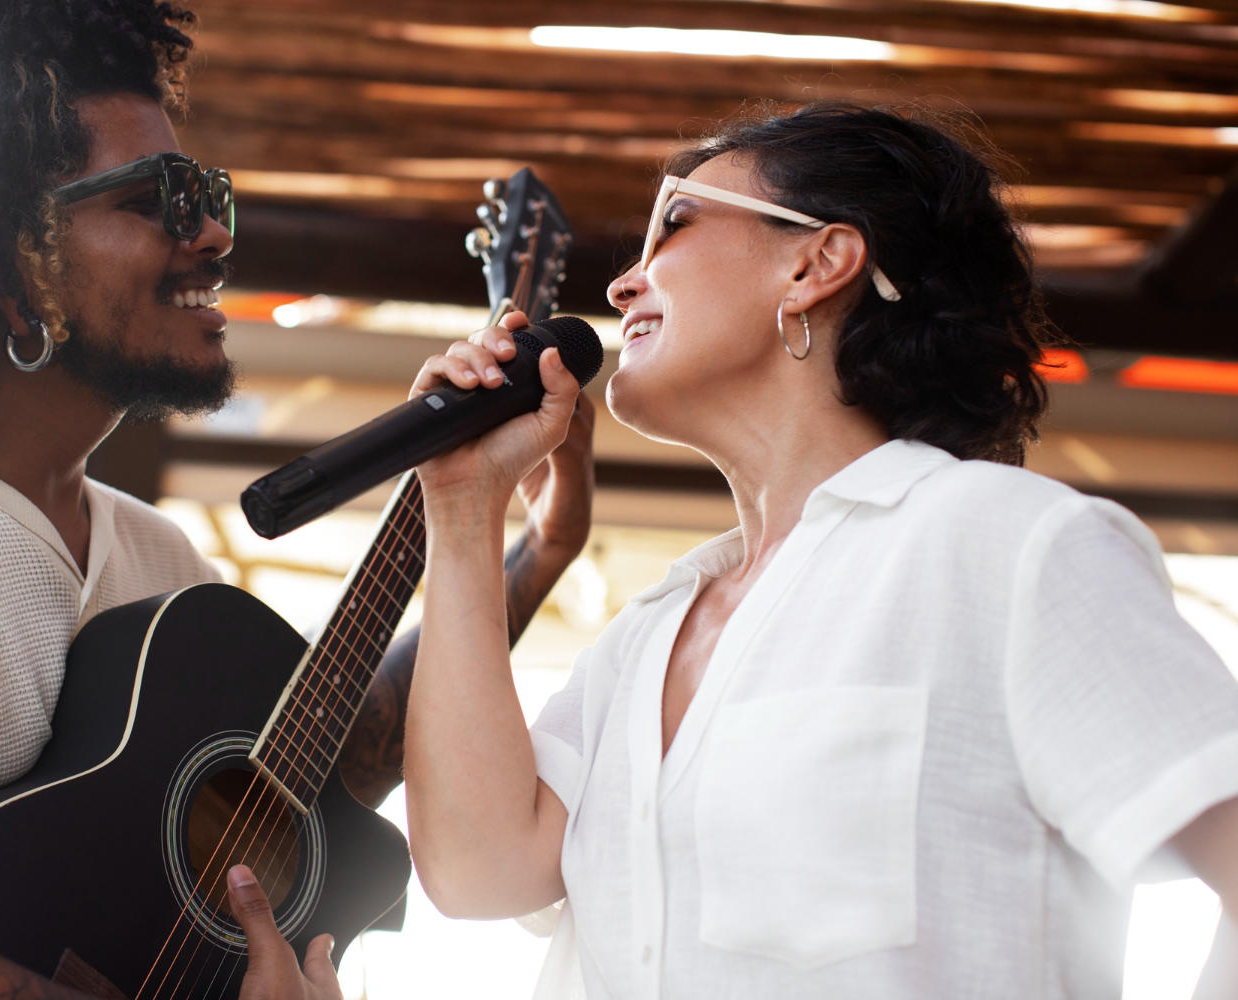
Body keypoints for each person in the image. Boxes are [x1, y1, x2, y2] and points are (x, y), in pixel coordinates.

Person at [0, 1, 592, 998]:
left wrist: (532, 551)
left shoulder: (154, 561)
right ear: (16, 270)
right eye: (162, 197)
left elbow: (303, 776)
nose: (217, 233)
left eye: (209, 192)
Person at [402, 102, 1238, 999]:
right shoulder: (639, 642)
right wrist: (462, 511)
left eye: (673, 223)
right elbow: (478, 873)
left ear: (816, 263)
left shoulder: (1005, 543)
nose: (621, 286)